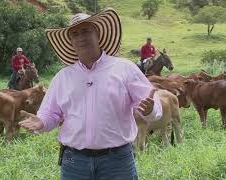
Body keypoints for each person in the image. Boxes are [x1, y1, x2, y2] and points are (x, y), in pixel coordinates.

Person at [19, 8, 162, 180]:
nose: (81, 37)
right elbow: (50, 114)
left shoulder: (125, 68)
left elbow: (152, 106)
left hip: (117, 161)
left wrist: (150, 110)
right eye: (75, 34)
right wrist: (41, 122)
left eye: (86, 30)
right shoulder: (63, 77)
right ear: (71, 41)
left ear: (97, 33)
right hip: (74, 162)